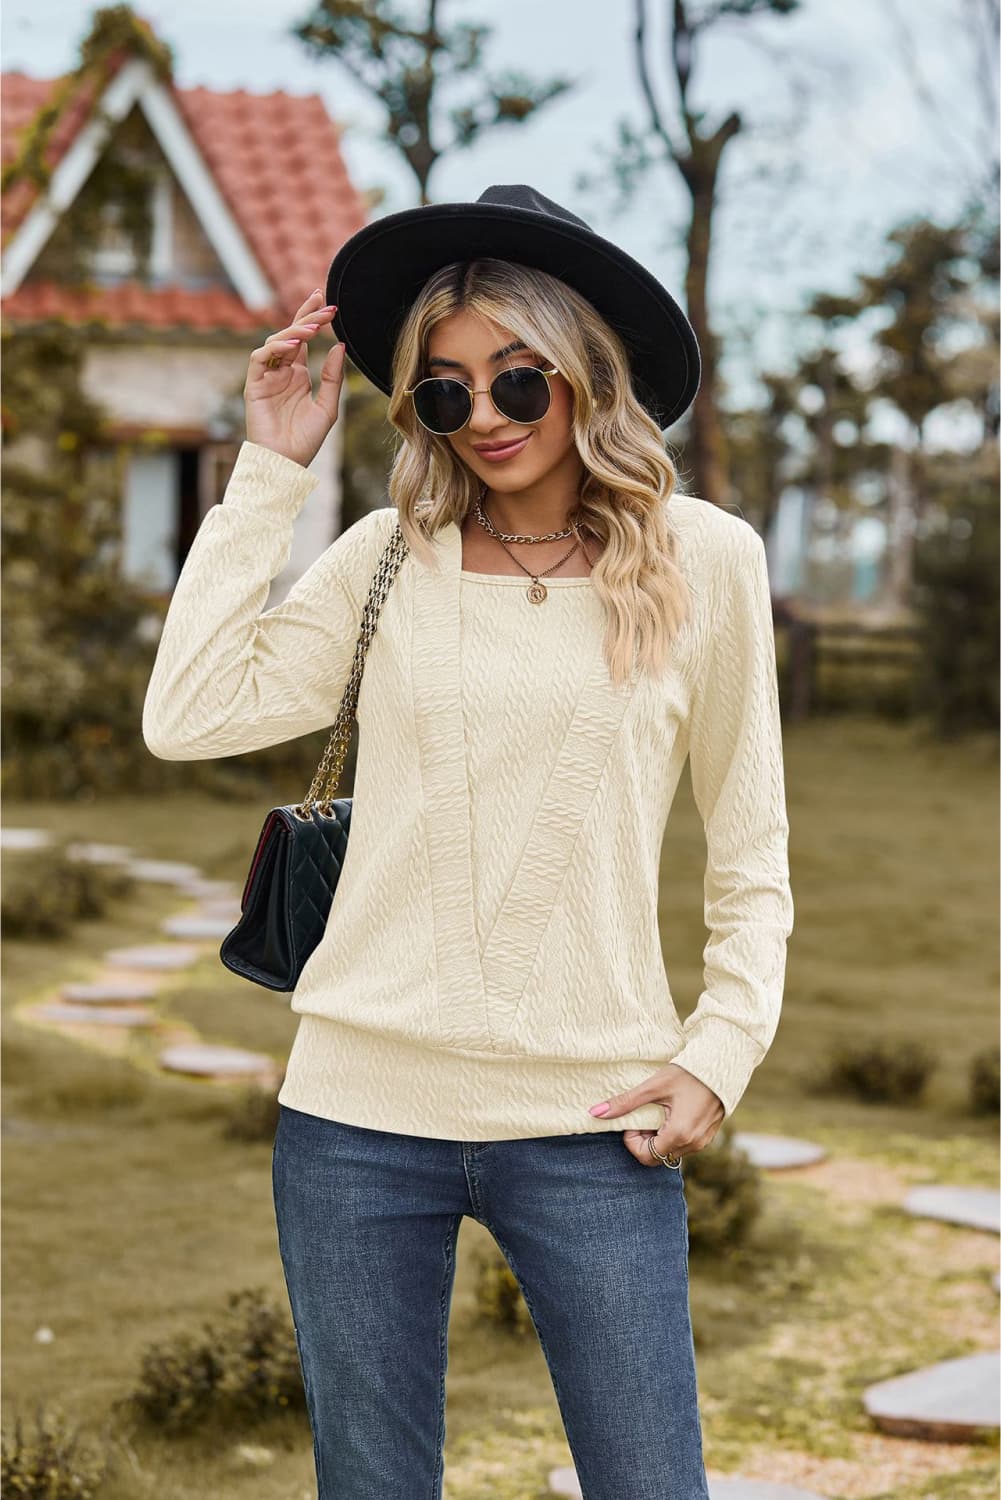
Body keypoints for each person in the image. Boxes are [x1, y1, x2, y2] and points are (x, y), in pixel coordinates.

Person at [142, 184, 794, 1500]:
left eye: (517, 380)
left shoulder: (705, 562)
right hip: (354, 1118)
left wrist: (720, 1052)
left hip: (596, 1119)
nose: (484, 417)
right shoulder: (389, 556)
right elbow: (189, 713)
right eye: (445, 392)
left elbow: (751, 849)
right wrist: (271, 470)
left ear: (585, 375)